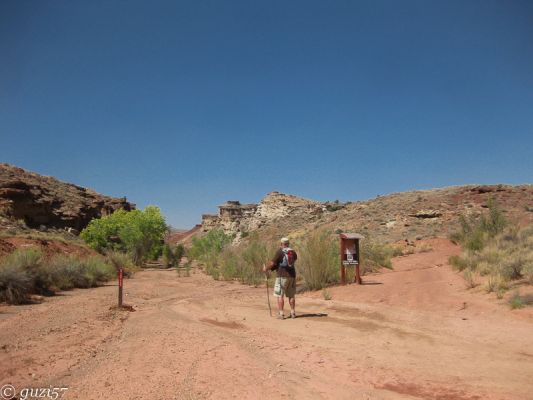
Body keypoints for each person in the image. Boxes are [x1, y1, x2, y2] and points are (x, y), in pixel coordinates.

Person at [263, 237, 297, 320]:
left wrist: (266, 269)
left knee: (280, 295)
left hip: (282, 276)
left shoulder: (280, 252)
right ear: (288, 243)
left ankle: (281, 314)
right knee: (291, 295)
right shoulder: (293, 252)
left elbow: (272, 263)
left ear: (281, 244)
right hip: (292, 276)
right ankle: (292, 312)